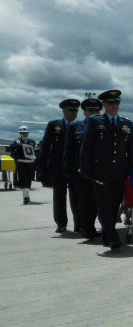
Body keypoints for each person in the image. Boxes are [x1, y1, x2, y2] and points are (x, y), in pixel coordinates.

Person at [80, 90, 133, 250]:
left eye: (116, 103)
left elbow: (131, 151)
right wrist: (85, 170)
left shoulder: (126, 124)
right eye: (110, 103)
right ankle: (113, 237)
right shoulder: (95, 122)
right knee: (104, 206)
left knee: (113, 207)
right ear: (104, 104)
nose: (114, 106)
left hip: (119, 173)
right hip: (100, 173)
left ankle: (106, 235)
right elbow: (86, 148)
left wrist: (129, 170)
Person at [39, 98, 81, 233]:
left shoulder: (81, 125)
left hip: (74, 167)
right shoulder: (53, 125)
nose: (74, 113)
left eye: (76, 110)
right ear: (63, 110)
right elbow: (45, 146)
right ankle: (61, 223)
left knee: (77, 197)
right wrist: (42, 168)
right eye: (71, 110)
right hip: (57, 167)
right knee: (59, 196)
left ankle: (79, 224)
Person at [63, 98, 102, 240]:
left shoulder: (104, 126)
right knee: (84, 203)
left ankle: (91, 226)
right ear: (84, 112)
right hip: (81, 172)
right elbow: (68, 150)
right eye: (90, 110)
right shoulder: (75, 127)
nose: (93, 113)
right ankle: (87, 228)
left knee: (98, 203)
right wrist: (68, 170)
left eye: (96, 110)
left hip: (99, 172)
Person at [8, 126, 37, 204]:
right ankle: (25, 197)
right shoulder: (16, 141)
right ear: (20, 133)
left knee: (29, 180)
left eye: (26, 132)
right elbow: (10, 147)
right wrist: (20, 145)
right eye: (23, 132)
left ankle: (27, 195)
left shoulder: (31, 141)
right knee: (23, 180)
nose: (25, 134)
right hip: (21, 163)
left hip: (30, 163)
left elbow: (33, 147)